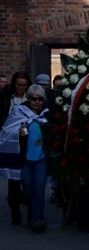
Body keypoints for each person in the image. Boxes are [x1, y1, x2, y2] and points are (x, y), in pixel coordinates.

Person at [0, 84, 49, 231]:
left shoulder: (47, 114)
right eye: (33, 99)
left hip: (42, 159)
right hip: (26, 160)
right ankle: (32, 213)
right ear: (29, 99)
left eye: (40, 99)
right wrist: (19, 133)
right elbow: (7, 131)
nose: (37, 102)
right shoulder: (19, 112)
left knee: (39, 189)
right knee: (28, 189)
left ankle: (37, 219)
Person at [1, 72, 31, 225]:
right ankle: (15, 211)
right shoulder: (6, 97)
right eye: (19, 84)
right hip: (10, 140)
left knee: (26, 174)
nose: (21, 88)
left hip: (26, 140)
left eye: (24, 85)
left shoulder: (30, 97)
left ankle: (25, 200)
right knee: (13, 178)